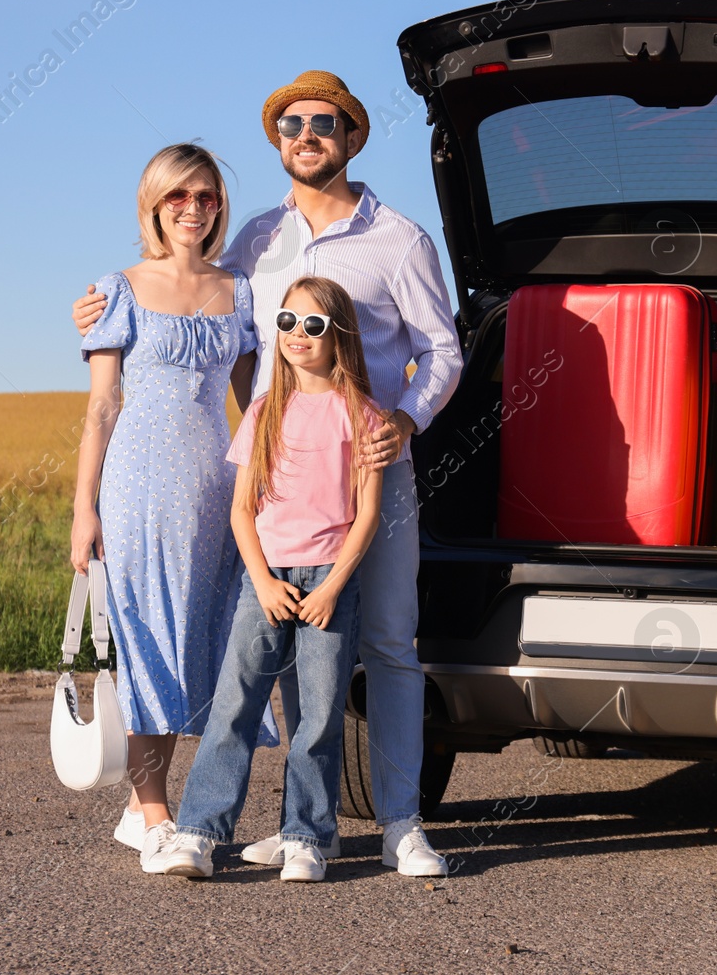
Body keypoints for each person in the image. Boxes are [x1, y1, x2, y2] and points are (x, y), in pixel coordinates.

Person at [76, 70, 463, 876]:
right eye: (291, 124)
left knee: (388, 640)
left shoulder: (399, 239)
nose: (307, 135)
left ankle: (399, 821)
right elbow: (212, 325)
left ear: (353, 137)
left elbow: (443, 351)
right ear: (278, 141)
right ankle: (297, 826)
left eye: (325, 122)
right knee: (280, 650)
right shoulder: (254, 241)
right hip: (275, 484)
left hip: (371, 475)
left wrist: (403, 418)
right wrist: (99, 309)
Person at [144, 277, 384, 881]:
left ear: (339, 336)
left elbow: (369, 515)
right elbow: (240, 510)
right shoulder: (264, 410)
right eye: (285, 323)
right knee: (235, 704)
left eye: (312, 325)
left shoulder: (363, 414)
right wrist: (264, 580)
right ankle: (199, 833)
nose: (296, 336)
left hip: (330, 579)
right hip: (267, 579)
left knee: (322, 713)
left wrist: (331, 589)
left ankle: (306, 835)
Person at [70, 142, 258, 874]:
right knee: (145, 634)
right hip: (138, 479)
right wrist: (83, 507)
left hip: (215, 485)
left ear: (219, 208)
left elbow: (253, 400)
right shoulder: (116, 287)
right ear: (154, 204)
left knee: (193, 640)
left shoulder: (237, 290)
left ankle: (138, 808)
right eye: (178, 196)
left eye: (206, 197)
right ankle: (155, 812)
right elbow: (101, 405)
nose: (193, 209)